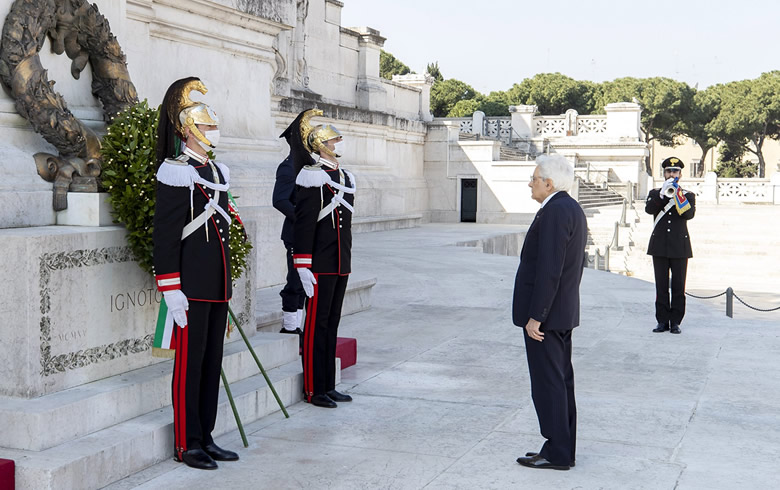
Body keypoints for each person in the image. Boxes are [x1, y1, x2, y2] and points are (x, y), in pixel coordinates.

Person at [153, 77, 239, 470]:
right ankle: (187, 444)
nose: (212, 132)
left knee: (210, 363)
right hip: (190, 286)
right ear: (187, 130)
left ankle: (206, 434)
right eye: (205, 126)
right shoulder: (175, 171)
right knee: (189, 366)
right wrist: (171, 288)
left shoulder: (217, 172)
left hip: (216, 286)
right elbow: (167, 236)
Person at [513, 154, 587, 471]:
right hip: (561, 313)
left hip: (548, 317)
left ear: (549, 183)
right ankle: (560, 447)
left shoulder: (556, 211)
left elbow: (550, 269)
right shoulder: (568, 207)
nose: (530, 183)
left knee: (549, 384)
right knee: (559, 382)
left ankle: (558, 453)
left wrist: (536, 315)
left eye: (534, 178)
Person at [291, 109, 355, 408]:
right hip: (319, 264)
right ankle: (314, 388)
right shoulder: (313, 177)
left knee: (331, 324)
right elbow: (304, 224)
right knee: (316, 327)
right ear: (321, 145)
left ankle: (328, 384)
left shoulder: (344, 177)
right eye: (335, 139)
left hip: (340, 263)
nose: (340, 142)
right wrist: (303, 264)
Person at [645, 156, 696, 335]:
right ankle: (661, 321)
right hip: (659, 246)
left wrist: (677, 194)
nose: (671, 174)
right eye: (668, 171)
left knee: (678, 287)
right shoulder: (654, 193)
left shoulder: (688, 195)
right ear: (664, 173)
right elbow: (650, 210)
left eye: (675, 171)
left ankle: (675, 322)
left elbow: (688, 215)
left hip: (679, 247)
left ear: (680, 174)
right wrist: (662, 194)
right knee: (661, 286)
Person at [273, 133, 307, 338]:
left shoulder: (307, 166)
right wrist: (303, 219)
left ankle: (298, 325)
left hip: (310, 235)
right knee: (295, 281)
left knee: (304, 283)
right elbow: (279, 200)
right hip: (296, 233)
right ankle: (289, 326)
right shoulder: (288, 167)